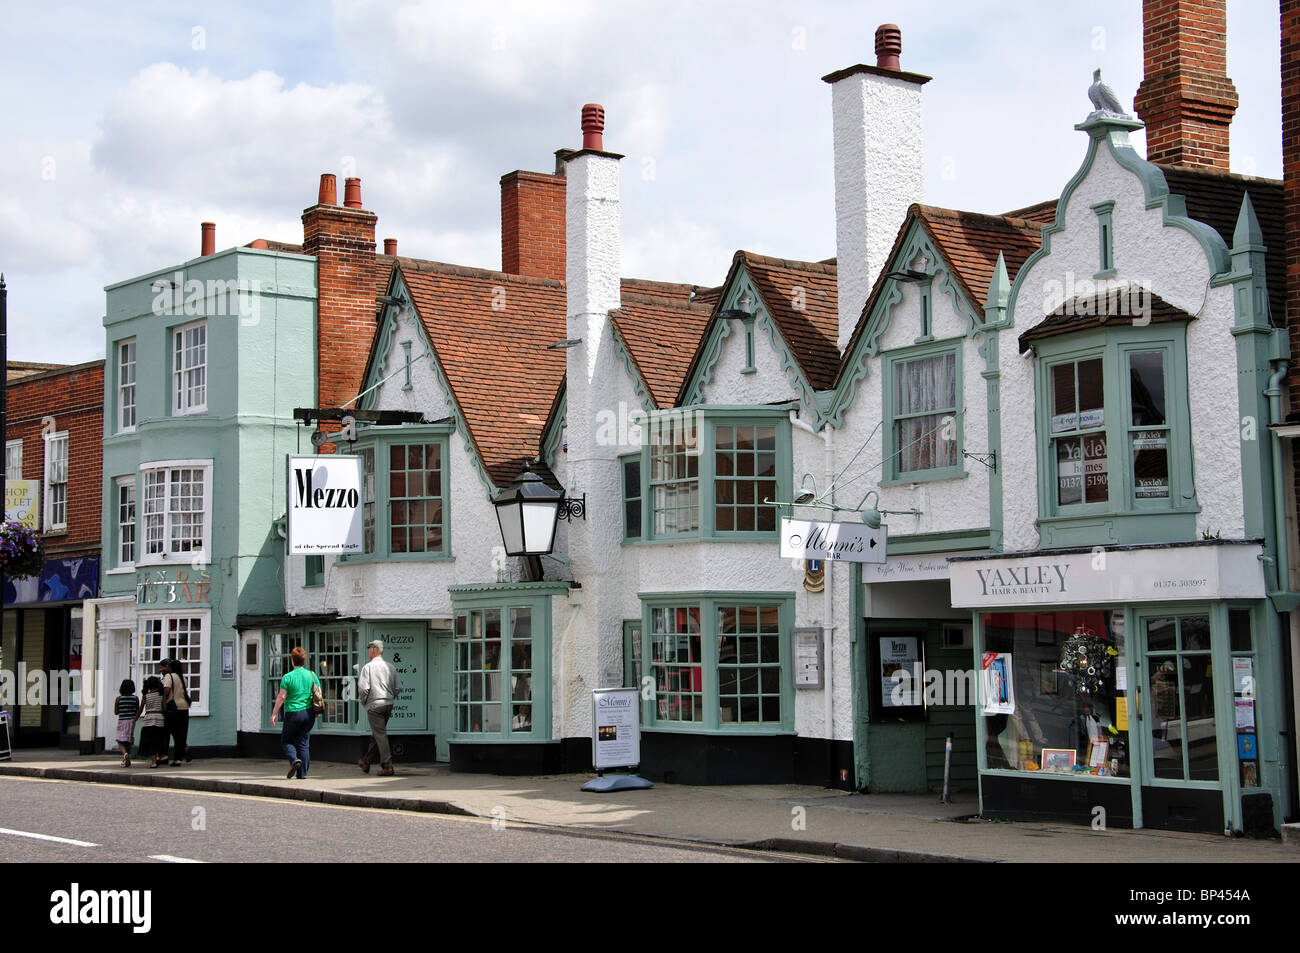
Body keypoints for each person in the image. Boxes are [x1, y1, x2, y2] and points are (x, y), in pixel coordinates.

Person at [271, 645, 321, 779]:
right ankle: (302, 774)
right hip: (309, 712)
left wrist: (274, 713)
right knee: (304, 743)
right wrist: (317, 711)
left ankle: (294, 760)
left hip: (293, 713)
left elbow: (282, 697)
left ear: (292, 660)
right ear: (304, 660)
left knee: (286, 741)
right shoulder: (312, 675)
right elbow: (319, 693)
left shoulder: (287, 677)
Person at [357, 639, 401, 776]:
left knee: (380, 735)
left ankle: (387, 766)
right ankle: (366, 761)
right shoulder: (390, 667)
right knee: (378, 734)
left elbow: (363, 689)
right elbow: (398, 687)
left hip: (374, 705)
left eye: (370, 648)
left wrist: (364, 702)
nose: (369, 651)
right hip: (388, 704)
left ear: (373, 650)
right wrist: (390, 697)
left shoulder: (368, 668)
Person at [159, 658, 191, 766]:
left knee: (166, 733)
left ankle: (165, 756)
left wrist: (163, 703)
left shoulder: (169, 676)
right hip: (184, 708)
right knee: (181, 735)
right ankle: (178, 759)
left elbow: (167, 691)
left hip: (172, 708)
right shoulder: (183, 678)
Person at [136, 676, 168, 769]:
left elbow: (140, 709)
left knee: (150, 742)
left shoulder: (146, 696)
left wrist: (135, 719)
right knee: (157, 741)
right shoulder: (161, 695)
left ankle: (154, 762)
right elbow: (164, 708)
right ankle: (157, 757)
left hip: (148, 719)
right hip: (159, 719)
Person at [114, 679, 139, 767]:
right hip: (132, 721)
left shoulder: (119, 699)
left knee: (120, 740)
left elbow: (116, 712)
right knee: (128, 740)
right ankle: (127, 761)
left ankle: (125, 754)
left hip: (122, 721)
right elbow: (137, 710)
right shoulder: (135, 698)